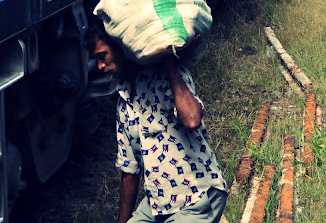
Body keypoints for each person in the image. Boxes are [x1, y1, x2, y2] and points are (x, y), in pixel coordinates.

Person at [86, 23, 228, 223]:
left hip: (197, 196)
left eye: (103, 56)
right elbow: (130, 169)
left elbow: (193, 119)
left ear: (121, 48)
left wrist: (168, 62)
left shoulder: (168, 78)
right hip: (158, 203)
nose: (100, 66)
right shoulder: (124, 100)